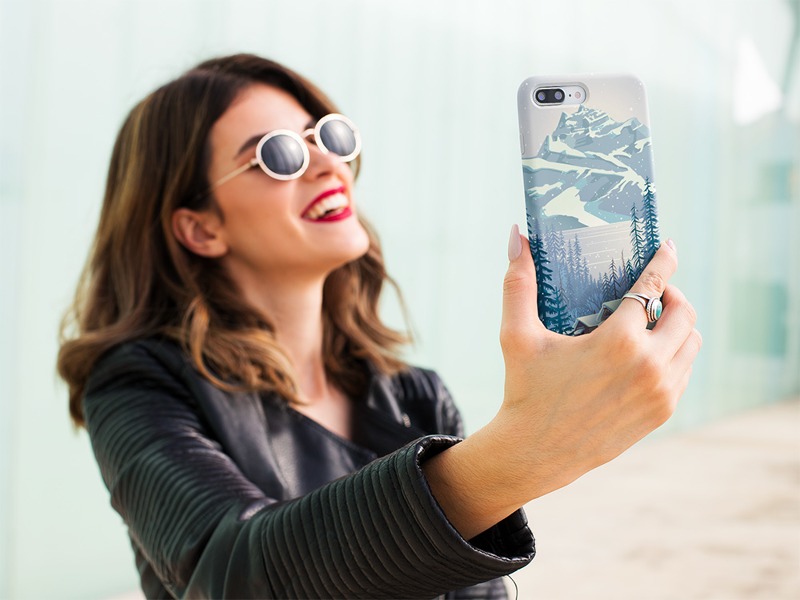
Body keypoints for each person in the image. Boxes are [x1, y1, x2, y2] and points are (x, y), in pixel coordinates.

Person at [57, 53, 701, 599]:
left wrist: (522, 452)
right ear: (200, 228)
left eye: (328, 137)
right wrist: (520, 452)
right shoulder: (137, 384)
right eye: (278, 155)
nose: (326, 165)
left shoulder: (414, 396)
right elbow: (232, 571)